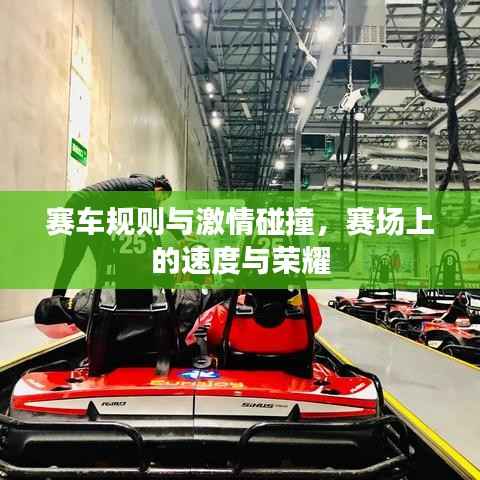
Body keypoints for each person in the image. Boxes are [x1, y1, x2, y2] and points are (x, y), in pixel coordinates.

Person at [52, 174, 173, 297]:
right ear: (160, 189)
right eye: (162, 198)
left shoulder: (141, 184)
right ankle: (96, 299)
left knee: (78, 260)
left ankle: (56, 299)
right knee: (99, 259)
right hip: (88, 208)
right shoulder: (147, 189)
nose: (160, 202)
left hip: (77, 202)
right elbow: (158, 217)